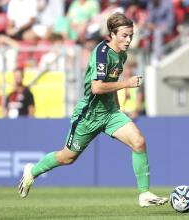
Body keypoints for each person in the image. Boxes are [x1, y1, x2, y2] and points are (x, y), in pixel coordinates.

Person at [18, 12, 168, 207]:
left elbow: (111, 82)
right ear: (112, 34)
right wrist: (127, 83)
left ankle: (144, 194)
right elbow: (97, 87)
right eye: (125, 35)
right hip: (88, 115)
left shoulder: (121, 54)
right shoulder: (102, 53)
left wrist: (117, 107)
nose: (129, 39)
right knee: (67, 157)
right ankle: (32, 172)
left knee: (139, 142)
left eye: (131, 35)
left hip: (110, 113)